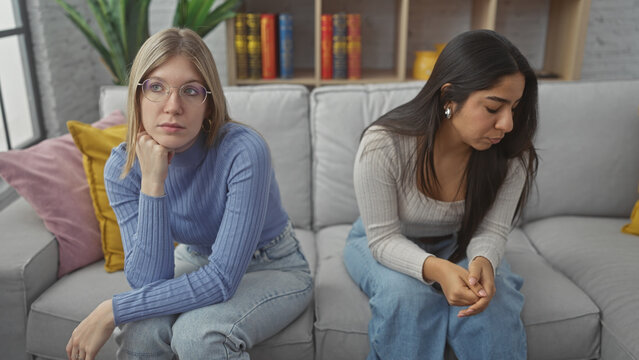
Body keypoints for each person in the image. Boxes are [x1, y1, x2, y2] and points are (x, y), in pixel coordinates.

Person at [65, 28, 312, 360]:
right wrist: (153, 183)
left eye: (191, 91)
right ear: (137, 96)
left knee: (198, 336)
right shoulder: (122, 168)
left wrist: (113, 309)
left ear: (209, 105)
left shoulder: (244, 151)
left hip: (274, 265)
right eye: (156, 87)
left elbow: (223, 278)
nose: (173, 106)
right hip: (197, 257)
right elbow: (147, 281)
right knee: (139, 331)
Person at [343, 29, 539, 360]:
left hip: (460, 242)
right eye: (493, 107)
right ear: (449, 98)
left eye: (515, 107)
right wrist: (439, 270)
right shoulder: (383, 145)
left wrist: (482, 261)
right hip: (384, 241)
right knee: (407, 299)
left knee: (494, 303)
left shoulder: (511, 154)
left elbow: (490, 230)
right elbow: (383, 239)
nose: (507, 123)